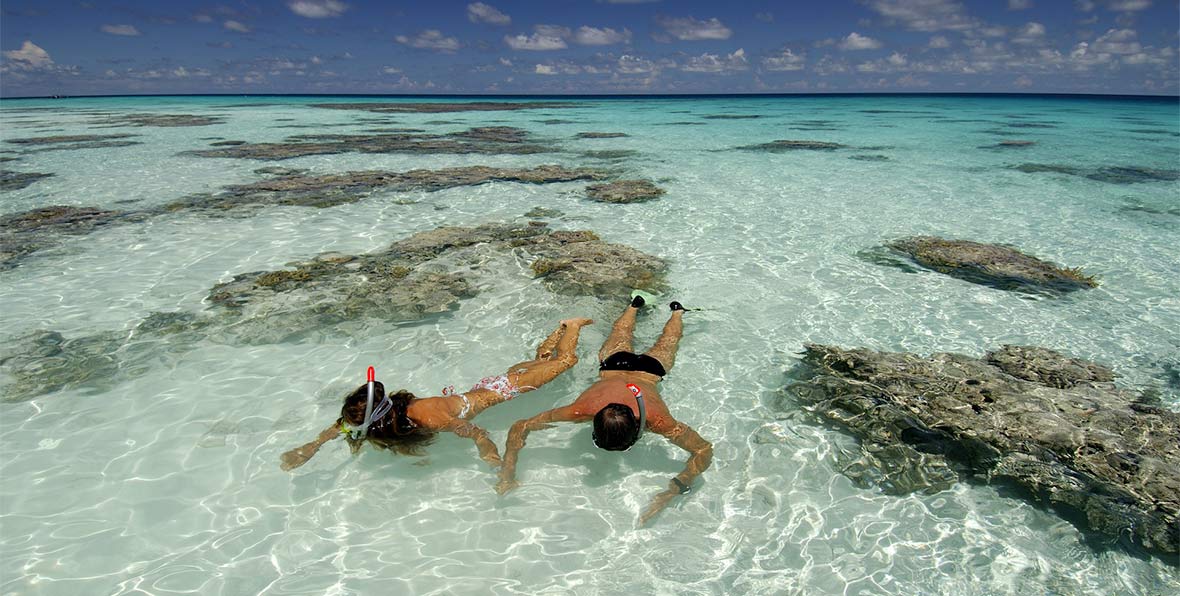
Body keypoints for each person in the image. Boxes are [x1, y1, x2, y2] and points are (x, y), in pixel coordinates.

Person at [496, 296, 713, 525]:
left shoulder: (582, 411)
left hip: (645, 369)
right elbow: (702, 450)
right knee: (657, 338)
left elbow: (521, 426)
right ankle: (673, 311)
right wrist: (675, 488)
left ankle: (640, 307)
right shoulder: (656, 421)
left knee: (656, 338)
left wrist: (508, 472)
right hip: (617, 364)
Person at [280, 317, 593, 471]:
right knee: (539, 364)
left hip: (502, 391)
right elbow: (341, 426)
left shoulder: (429, 417)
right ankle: (561, 328)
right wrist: (310, 447)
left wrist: (486, 451)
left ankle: (573, 323)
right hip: (488, 385)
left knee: (566, 361)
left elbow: (473, 430)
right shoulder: (389, 412)